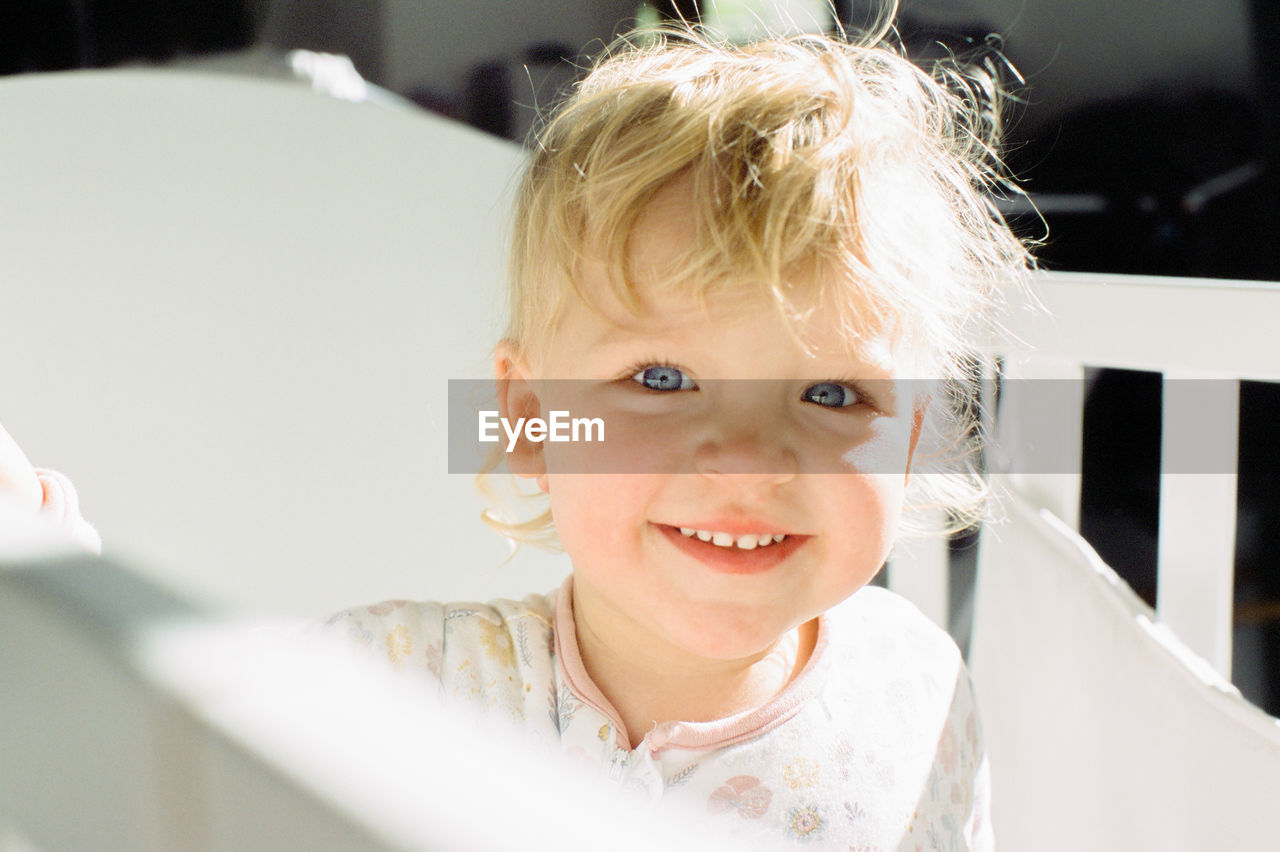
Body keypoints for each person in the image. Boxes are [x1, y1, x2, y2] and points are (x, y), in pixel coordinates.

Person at [5, 20, 1029, 850]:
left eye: (831, 395)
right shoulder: (405, 679)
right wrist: (49, 566)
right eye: (660, 380)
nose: (746, 459)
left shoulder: (919, 690)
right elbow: (188, 749)